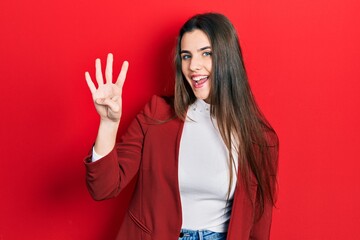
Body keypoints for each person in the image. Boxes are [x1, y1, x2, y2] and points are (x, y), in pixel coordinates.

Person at [84, 13, 279, 240]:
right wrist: (109, 123)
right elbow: (103, 188)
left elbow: (258, 228)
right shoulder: (156, 114)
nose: (193, 66)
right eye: (186, 56)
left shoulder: (261, 140)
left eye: (206, 53)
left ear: (228, 58)